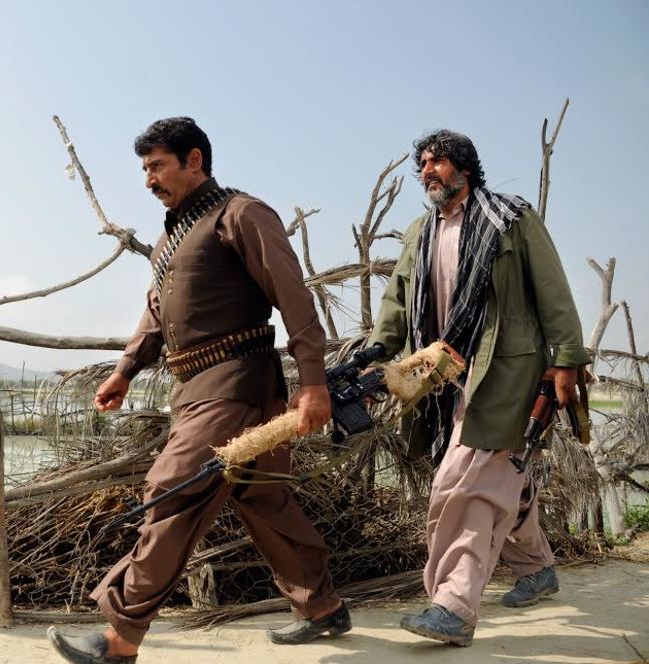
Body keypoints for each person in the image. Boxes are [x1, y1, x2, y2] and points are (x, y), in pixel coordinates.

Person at [47, 117, 348, 663]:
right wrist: (127, 368)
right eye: (144, 169)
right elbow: (157, 313)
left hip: (238, 386)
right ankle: (322, 607)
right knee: (264, 499)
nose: (148, 180)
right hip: (196, 390)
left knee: (172, 491)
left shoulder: (242, 214)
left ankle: (119, 638)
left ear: (194, 159)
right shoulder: (171, 236)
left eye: (157, 166)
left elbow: (295, 300)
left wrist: (314, 385)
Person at [367, 129, 590, 647]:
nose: (428, 170)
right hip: (440, 377)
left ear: (464, 167)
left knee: (463, 486)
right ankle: (536, 567)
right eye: (422, 163)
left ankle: (453, 605)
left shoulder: (510, 218)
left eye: (438, 160)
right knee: (501, 478)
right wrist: (378, 354)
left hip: (506, 371)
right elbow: (398, 301)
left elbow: (552, 289)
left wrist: (567, 360)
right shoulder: (421, 231)